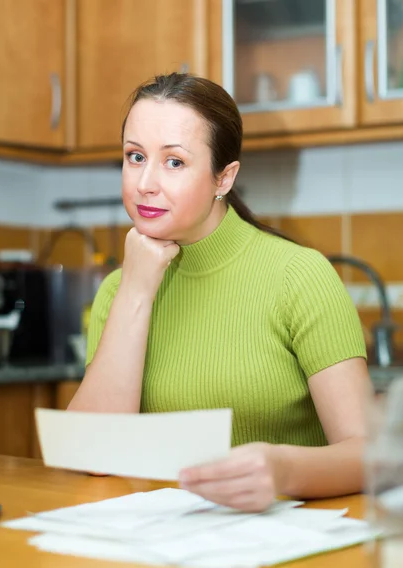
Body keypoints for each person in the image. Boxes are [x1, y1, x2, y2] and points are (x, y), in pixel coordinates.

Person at [68, 72, 373, 512]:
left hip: (289, 544)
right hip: (162, 543)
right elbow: (92, 454)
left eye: (174, 162)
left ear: (223, 178)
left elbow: (369, 454)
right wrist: (135, 290)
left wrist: (282, 470)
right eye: (135, 157)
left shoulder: (299, 275)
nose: (145, 183)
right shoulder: (119, 290)